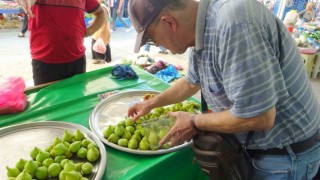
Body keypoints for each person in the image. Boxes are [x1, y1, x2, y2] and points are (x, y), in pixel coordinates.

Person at [128, 0, 320, 179]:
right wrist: (152, 103)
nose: (158, 45)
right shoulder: (200, 30)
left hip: (283, 157)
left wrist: (194, 122)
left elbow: (260, 116)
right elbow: (191, 83)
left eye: (152, 39)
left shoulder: (233, 24)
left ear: (169, 23)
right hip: (256, 149)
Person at [18, 0, 106, 85]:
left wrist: (86, 32)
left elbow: (100, 13)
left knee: (76, 97)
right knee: (49, 99)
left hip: (77, 61)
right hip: (45, 63)